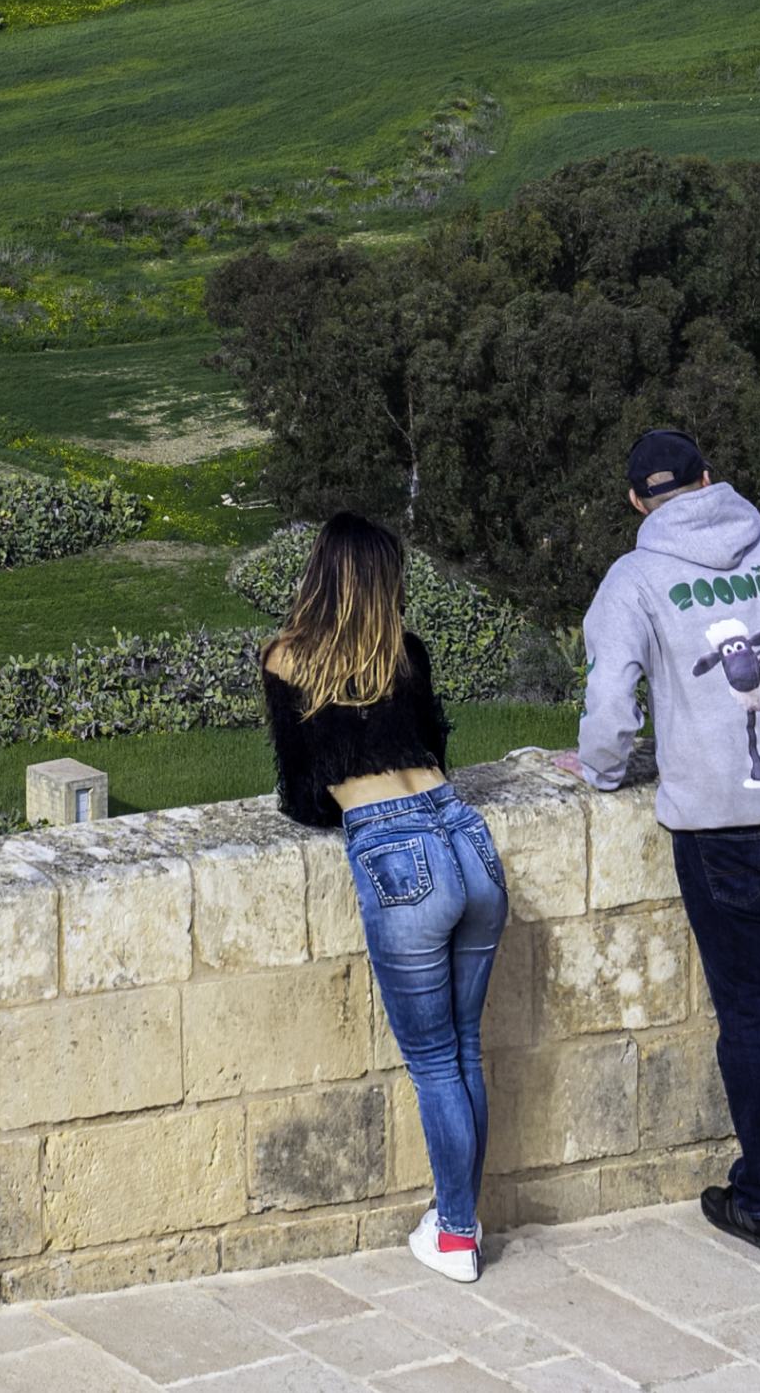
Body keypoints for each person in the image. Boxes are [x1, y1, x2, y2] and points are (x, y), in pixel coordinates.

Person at [543, 427, 760, 1258]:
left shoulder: (635, 579)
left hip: (719, 834)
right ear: (708, 479)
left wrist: (599, 771)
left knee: (751, 1020)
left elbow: (612, 705)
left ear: (636, 502)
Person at [261, 513, 506, 1283]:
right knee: (464, 1052)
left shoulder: (287, 659)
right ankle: (455, 1216)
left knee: (434, 1064)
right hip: (463, 833)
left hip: (394, 849)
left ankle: (458, 1235)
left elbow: (302, 791)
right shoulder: (406, 654)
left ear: (318, 574)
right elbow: (433, 747)